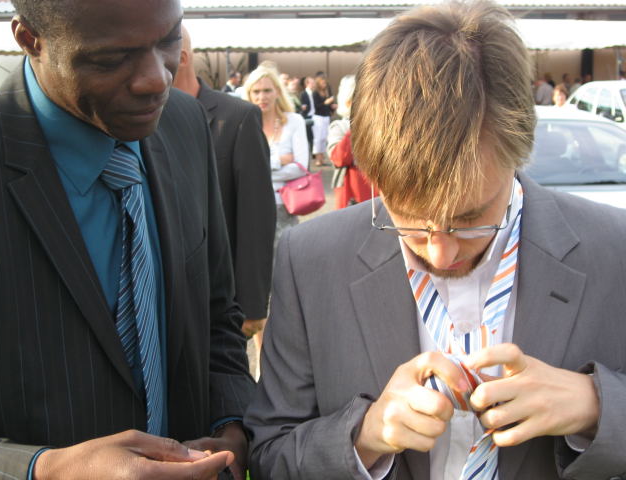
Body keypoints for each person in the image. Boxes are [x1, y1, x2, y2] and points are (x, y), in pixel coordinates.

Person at [244, 1, 626, 479]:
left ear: (518, 151)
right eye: (407, 218)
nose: (440, 252)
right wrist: (363, 437)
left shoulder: (614, 249)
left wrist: (597, 406)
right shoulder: (310, 260)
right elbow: (269, 455)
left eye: (470, 219)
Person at [0, 1, 254, 479]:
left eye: (169, 40)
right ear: (30, 40)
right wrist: (44, 469)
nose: (156, 79)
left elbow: (217, 313)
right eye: (110, 59)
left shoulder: (185, 124)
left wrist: (231, 421)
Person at [173, 25, 276, 355]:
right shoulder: (139, 121)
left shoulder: (236, 118)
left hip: (219, 302)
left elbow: (256, 217)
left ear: (181, 58)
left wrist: (252, 304)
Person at [242, 66, 309, 252]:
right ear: (249, 94)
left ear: (278, 92)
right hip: (251, 205)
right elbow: (244, 171)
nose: (261, 97)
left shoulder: (294, 121)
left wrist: (259, 171)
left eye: (267, 90)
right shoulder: (243, 125)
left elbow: (301, 167)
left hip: (285, 205)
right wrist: (279, 161)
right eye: (256, 91)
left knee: (284, 259)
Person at [327, 74, 372, 209]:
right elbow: (339, 159)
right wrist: (355, 125)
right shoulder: (339, 126)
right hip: (352, 194)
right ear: (349, 102)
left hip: (378, 194)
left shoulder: (378, 127)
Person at [312, 71, 336, 166]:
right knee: (318, 139)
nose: (324, 84)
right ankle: (318, 158)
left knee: (324, 138)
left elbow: (328, 106)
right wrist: (326, 103)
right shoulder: (315, 93)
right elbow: (317, 106)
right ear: (318, 83)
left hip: (326, 117)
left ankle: (322, 158)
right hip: (318, 117)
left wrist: (332, 107)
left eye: (325, 83)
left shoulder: (327, 92)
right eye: (323, 83)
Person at [300, 76, 316, 155]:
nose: (313, 85)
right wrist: (303, 108)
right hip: (307, 116)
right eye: (312, 83)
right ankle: (310, 152)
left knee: (315, 135)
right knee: (309, 136)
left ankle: (314, 152)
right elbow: (301, 105)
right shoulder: (303, 94)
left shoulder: (315, 93)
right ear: (307, 84)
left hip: (315, 116)